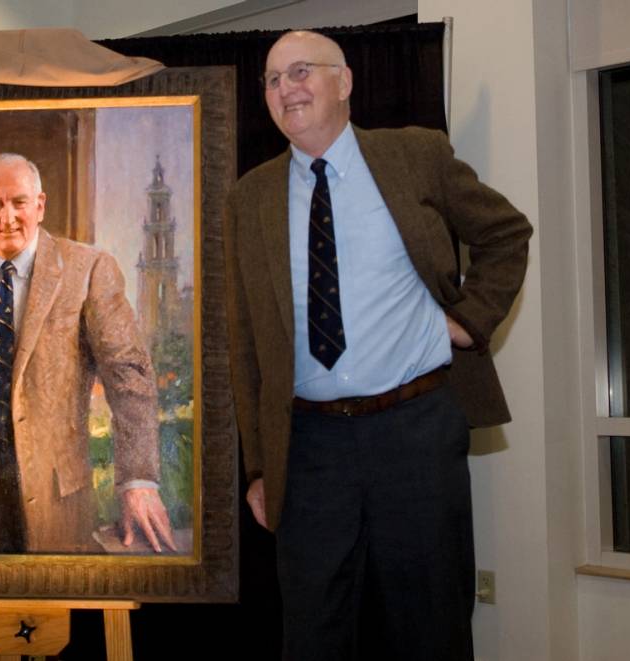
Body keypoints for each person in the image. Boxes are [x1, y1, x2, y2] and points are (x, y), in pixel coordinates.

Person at [224, 31, 532, 660]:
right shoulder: (248, 197)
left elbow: (506, 233)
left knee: (430, 627)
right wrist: (258, 466)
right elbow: (246, 340)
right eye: (274, 79)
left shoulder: (414, 156)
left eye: (302, 71)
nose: (287, 88)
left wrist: (469, 320)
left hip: (413, 432)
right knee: (312, 634)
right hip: (307, 452)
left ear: (345, 82)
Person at [0, 153, 177, 554]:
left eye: (19, 202)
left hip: (37, 505)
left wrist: (139, 481)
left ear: (40, 206)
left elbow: (129, 374)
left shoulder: (88, 270)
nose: (7, 218)